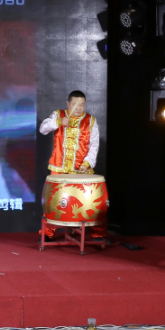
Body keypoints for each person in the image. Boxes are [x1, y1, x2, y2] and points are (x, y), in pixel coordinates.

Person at [38, 90, 103, 239]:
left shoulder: (90, 120)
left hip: (82, 170)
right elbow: (43, 129)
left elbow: (94, 145)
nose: (78, 108)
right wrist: (58, 122)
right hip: (59, 167)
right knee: (53, 201)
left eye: (81, 104)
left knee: (91, 201)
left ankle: (97, 233)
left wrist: (87, 163)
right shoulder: (58, 115)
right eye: (74, 104)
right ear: (68, 104)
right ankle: (47, 233)